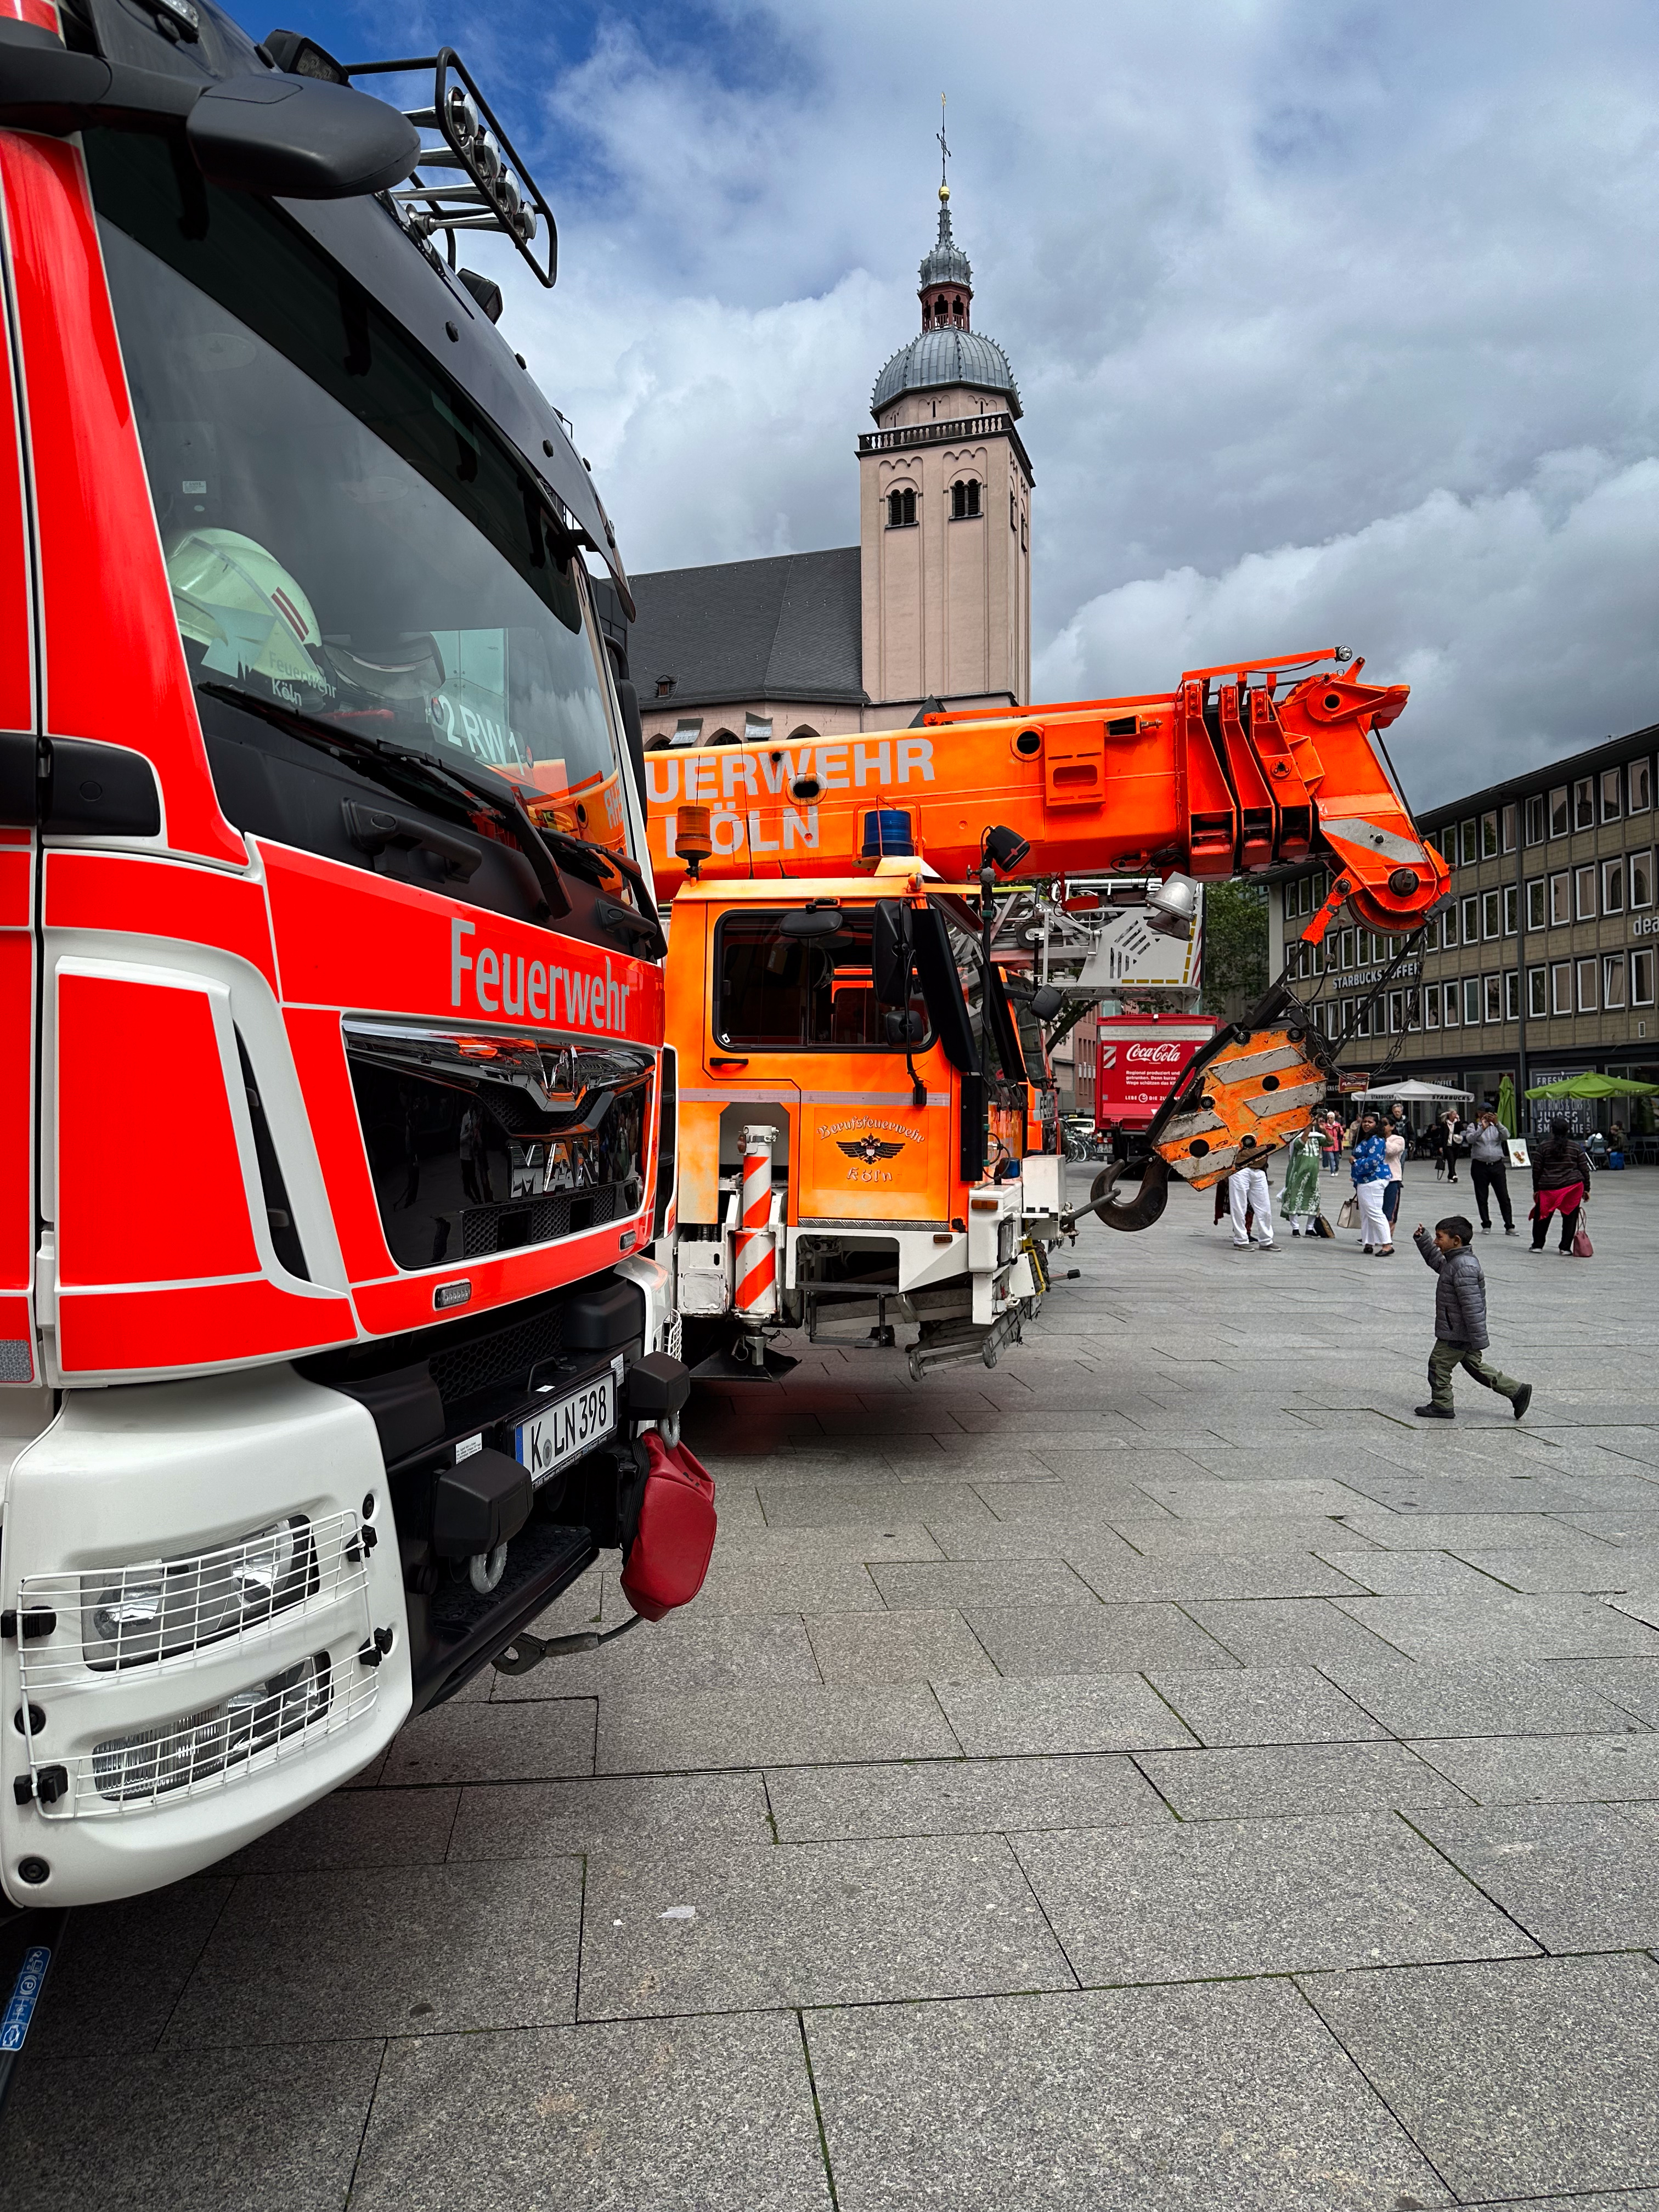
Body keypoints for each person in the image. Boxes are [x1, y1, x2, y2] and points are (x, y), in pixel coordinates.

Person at [1530, 1118, 1592, 1254]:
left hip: (1549, 1188)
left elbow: (1537, 1170)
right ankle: (1565, 1248)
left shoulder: (1544, 1147)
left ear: (1552, 1130)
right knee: (1570, 1218)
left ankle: (1538, 1245)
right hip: (1572, 1187)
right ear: (1568, 1130)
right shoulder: (1575, 1147)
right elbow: (1584, 1169)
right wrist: (1587, 1189)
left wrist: (1536, 1189)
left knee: (1542, 1217)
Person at [1466, 1105, 1516, 1234]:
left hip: (1497, 1165)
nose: (1488, 1115)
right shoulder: (1473, 1126)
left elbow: (1507, 1136)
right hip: (1480, 1166)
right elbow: (1470, 1139)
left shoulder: (1497, 1126)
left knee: (1503, 1196)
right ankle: (1486, 1224)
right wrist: (1482, 1129)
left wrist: (1497, 1124)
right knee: (1482, 1197)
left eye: (1491, 1113)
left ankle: (1509, 1225)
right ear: (1479, 1113)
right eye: (1486, 1113)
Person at [1351, 1111, 1394, 1255]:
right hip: (1364, 1180)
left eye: (1370, 1122)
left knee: (1375, 1212)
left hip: (1373, 1179)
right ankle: (1368, 1242)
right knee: (1366, 1213)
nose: (1367, 1124)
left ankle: (1387, 1244)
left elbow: (1373, 1161)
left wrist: (1356, 1162)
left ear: (1377, 1124)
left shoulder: (1376, 1140)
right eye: (1365, 1121)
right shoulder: (1366, 1139)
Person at [1280, 1122, 1323, 1236]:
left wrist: (1324, 1130)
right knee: (1293, 1199)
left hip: (1313, 1176)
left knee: (1314, 1200)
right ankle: (1295, 1228)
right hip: (1297, 1175)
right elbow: (1301, 1143)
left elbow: (1330, 1142)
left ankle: (1310, 1229)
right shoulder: (1296, 1138)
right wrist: (1308, 1128)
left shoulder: (1317, 1137)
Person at [1228, 1151, 1277, 1251]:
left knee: (1265, 1208)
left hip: (1259, 1168)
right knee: (1239, 1207)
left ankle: (1266, 1240)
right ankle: (1241, 1240)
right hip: (1240, 1168)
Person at [1383, 1115, 1407, 1232]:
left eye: (1385, 1124)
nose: (1382, 1127)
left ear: (1392, 1127)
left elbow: (1391, 1151)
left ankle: (1387, 1235)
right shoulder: (1373, 1139)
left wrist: (1381, 1139)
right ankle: (1373, 1235)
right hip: (1376, 1178)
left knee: (1390, 1210)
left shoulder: (1398, 1140)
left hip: (1392, 1179)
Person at [1440, 1108, 1464, 1183]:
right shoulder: (1445, 1123)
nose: (1455, 1116)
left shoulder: (1457, 1123)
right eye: (1454, 1114)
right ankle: (1453, 1175)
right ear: (1450, 1115)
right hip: (1447, 1145)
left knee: (1454, 1161)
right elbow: (1442, 1135)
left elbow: (1462, 1129)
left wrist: (1459, 1120)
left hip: (1456, 1145)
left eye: (1456, 1114)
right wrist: (1441, 1146)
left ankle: (1451, 1176)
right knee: (1451, 1160)